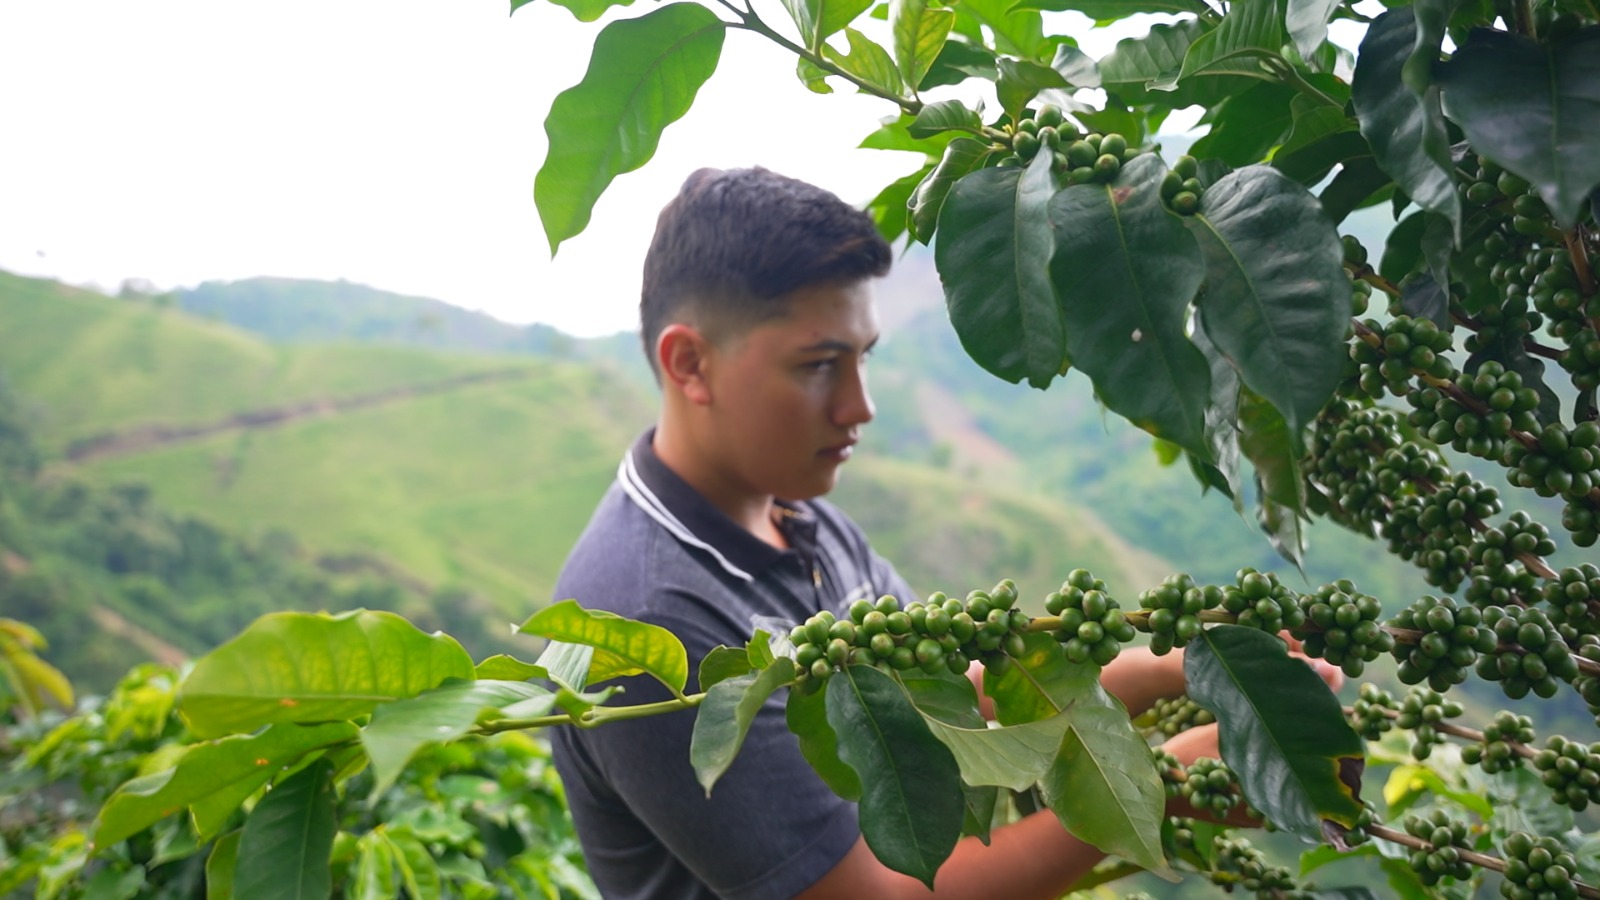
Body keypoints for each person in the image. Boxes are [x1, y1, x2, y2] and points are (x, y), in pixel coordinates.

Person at [548, 166, 1336, 899]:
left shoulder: (796, 512)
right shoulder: (652, 623)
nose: (861, 407)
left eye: (863, 359)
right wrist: (1160, 790)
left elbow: (947, 698)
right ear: (690, 364)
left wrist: (1183, 670)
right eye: (820, 365)